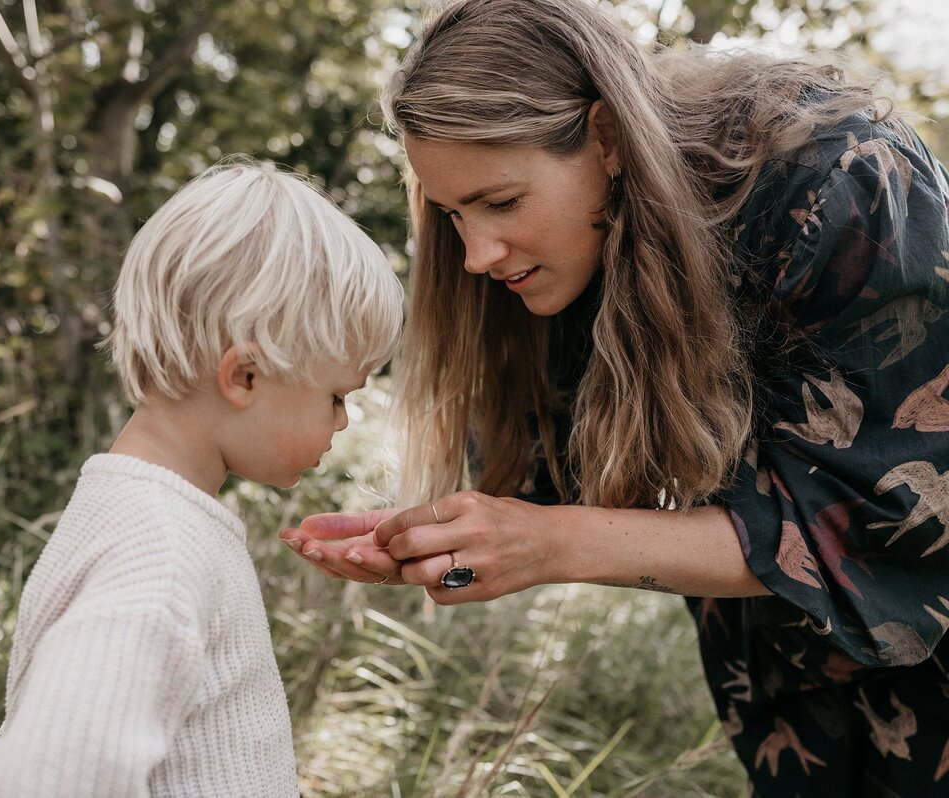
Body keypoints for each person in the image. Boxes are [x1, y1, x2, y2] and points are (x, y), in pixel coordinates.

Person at [279, 0, 949, 793]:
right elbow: (551, 487)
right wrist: (433, 541)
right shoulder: (566, 255)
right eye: (453, 213)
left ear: (606, 137)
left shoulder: (844, 181)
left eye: (500, 203)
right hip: (784, 689)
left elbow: (886, 521)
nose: (475, 254)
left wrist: (553, 544)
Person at [0, 161, 404, 797]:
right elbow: (43, 776)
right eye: (335, 395)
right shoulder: (162, 552)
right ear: (244, 376)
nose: (343, 421)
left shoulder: (132, 509)